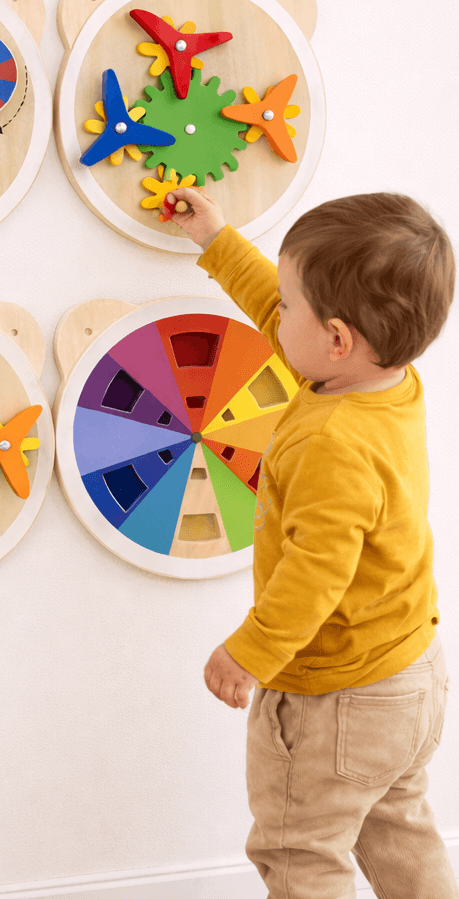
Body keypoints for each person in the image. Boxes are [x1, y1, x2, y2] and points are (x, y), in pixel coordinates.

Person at [166, 185, 456, 898]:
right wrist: (218, 241)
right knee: (398, 830)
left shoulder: (333, 441)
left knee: (301, 851)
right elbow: (279, 311)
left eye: (293, 305)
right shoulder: (385, 381)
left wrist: (250, 652)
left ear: (335, 338)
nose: (278, 314)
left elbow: (316, 574)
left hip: (338, 698)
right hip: (407, 675)